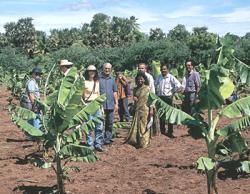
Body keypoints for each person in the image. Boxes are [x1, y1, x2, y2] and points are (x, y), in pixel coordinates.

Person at [155, 64, 183, 138]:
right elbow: (155, 85)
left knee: (169, 115)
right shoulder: (159, 77)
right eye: (162, 69)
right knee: (161, 114)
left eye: (165, 69)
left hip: (168, 97)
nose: (163, 70)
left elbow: (179, 86)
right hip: (160, 97)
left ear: (168, 69)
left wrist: (174, 92)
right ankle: (162, 130)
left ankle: (170, 131)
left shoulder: (171, 77)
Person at [126, 72, 153, 148]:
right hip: (137, 109)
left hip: (145, 110)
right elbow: (135, 99)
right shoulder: (135, 89)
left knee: (144, 126)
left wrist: (151, 110)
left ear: (144, 80)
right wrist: (134, 99)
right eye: (138, 79)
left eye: (141, 79)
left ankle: (144, 143)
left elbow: (151, 100)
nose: (140, 81)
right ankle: (137, 141)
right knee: (137, 126)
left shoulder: (148, 88)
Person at [83, 65, 105, 152]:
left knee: (99, 125)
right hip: (88, 105)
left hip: (97, 105)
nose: (92, 72)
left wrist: (101, 106)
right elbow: (80, 96)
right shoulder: (84, 82)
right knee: (89, 126)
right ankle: (90, 144)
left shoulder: (97, 82)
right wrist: (84, 104)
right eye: (90, 71)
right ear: (87, 72)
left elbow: (99, 95)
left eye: (93, 71)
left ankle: (98, 144)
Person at [99, 63, 118, 145]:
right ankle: (99, 139)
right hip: (101, 105)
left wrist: (116, 103)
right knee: (100, 123)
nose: (107, 70)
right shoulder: (98, 79)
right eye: (105, 68)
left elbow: (115, 92)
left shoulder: (112, 79)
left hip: (110, 104)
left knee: (109, 123)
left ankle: (108, 139)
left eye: (109, 68)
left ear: (111, 69)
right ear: (103, 69)